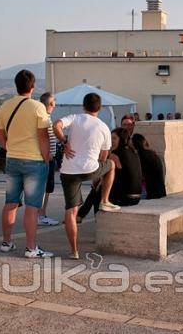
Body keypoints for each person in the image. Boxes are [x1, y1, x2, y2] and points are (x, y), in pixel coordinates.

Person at [0, 70, 54, 258]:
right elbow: (43, 138)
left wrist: (11, 148)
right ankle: (31, 248)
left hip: (12, 160)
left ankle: (6, 242)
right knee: (32, 206)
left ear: (16, 85)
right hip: (34, 161)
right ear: (33, 86)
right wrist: (47, 158)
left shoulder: (5, 106)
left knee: (10, 202)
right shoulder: (38, 107)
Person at [53, 93, 119, 259]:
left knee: (71, 212)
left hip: (68, 171)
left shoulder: (75, 118)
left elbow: (57, 125)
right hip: (90, 169)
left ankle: (74, 250)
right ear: (100, 108)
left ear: (83, 106)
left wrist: (64, 142)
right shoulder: (103, 127)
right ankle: (104, 200)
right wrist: (98, 175)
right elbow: (104, 156)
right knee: (111, 165)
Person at [35, 92, 60, 226]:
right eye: (52, 103)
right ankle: (41, 215)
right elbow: (42, 138)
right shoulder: (44, 118)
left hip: (48, 158)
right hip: (46, 159)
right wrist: (47, 156)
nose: (54, 106)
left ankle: (41, 214)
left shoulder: (46, 118)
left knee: (47, 188)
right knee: (45, 188)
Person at [107, 128, 142, 206]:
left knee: (99, 188)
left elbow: (105, 175)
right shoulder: (134, 152)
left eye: (114, 138)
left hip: (125, 198)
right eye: (110, 138)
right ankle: (81, 214)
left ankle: (82, 215)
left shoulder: (115, 154)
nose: (111, 141)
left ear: (122, 140)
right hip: (137, 197)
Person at [131, 133, 166, 199]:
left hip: (150, 193)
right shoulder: (152, 154)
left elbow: (138, 176)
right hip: (160, 192)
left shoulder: (141, 156)